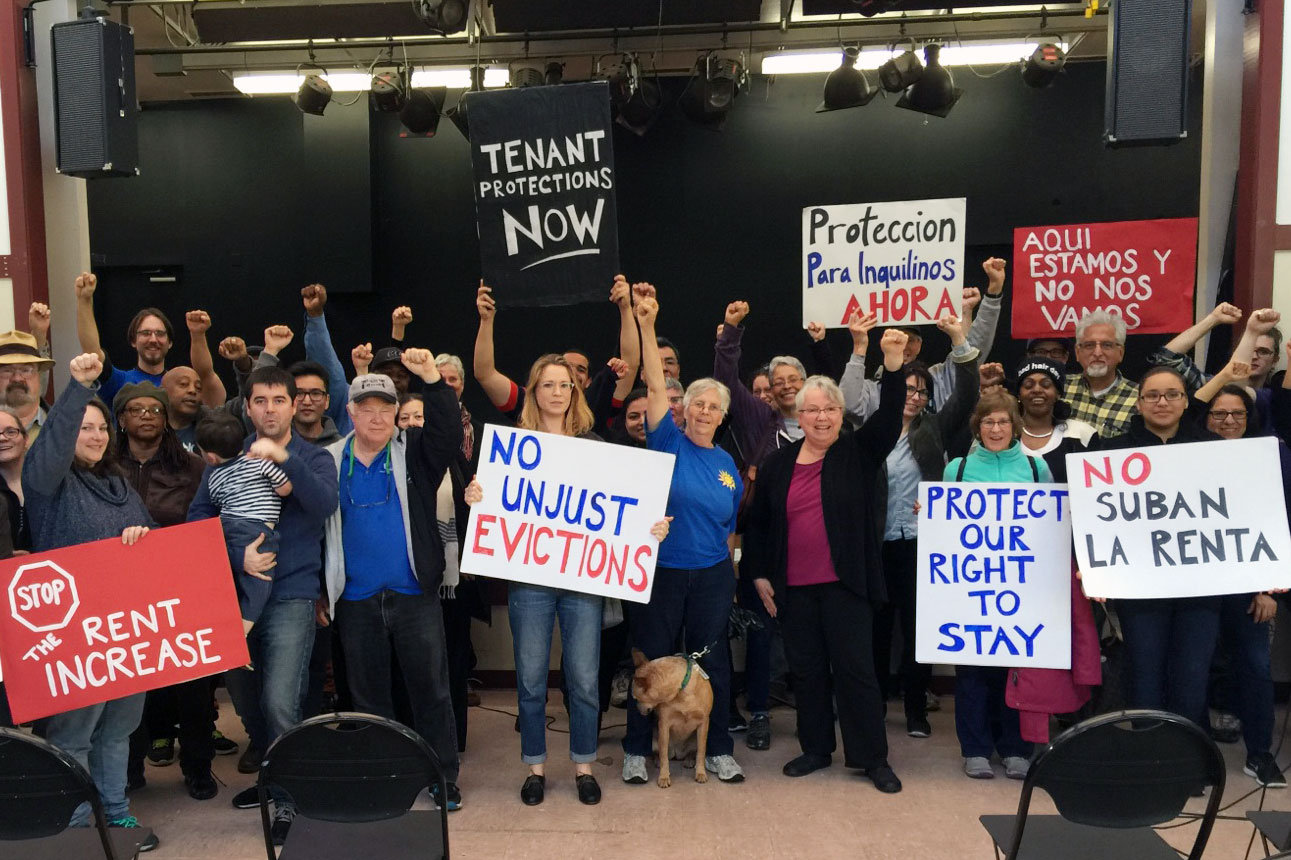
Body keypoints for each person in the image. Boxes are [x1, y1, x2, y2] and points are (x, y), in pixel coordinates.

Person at [743, 330, 910, 793]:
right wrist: (759, 574)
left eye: (830, 409)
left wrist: (892, 362)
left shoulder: (858, 452)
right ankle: (815, 749)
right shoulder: (777, 465)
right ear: (798, 416)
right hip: (794, 590)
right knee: (807, 673)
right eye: (812, 410)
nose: (821, 417)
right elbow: (759, 524)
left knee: (857, 673)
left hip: (846, 586)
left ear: (841, 413)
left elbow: (890, 415)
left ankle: (872, 758)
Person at [187, 364, 338, 844]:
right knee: (246, 701)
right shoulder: (227, 456)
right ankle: (274, 779)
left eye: (278, 400)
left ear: (294, 406)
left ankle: (289, 799)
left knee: (280, 702)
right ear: (247, 408)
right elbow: (197, 520)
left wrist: (282, 458)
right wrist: (238, 555)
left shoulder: (314, 457)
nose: (269, 410)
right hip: (234, 596)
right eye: (260, 401)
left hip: (292, 595)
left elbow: (323, 504)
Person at [464, 353, 615, 807]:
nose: (557, 392)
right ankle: (535, 767)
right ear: (533, 391)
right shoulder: (512, 446)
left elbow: (616, 508)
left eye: (565, 385)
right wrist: (477, 496)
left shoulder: (594, 444)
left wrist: (648, 527)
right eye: (548, 384)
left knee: (584, 679)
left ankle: (584, 766)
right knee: (530, 680)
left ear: (575, 392)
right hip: (530, 579)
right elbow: (495, 505)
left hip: (582, 578)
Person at [27, 354, 157, 851]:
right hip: (75, 630)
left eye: (102, 427)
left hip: (124, 629)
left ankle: (116, 813)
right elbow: (51, 447)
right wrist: (79, 389)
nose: (97, 435)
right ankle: (79, 823)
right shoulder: (47, 481)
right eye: (84, 427)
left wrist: (143, 536)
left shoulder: (119, 483)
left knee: (118, 727)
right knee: (74, 730)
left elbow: (154, 544)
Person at [322, 357, 465, 810]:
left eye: (386, 408)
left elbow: (448, 432)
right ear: (351, 412)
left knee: (431, 692)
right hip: (355, 600)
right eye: (367, 408)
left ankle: (442, 777)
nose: (378, 417)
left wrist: (433, 382)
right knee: (369, 700)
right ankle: (383, 776)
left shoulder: (416, 452)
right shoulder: (328, 461)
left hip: (413, 596)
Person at [622, 290, 747, 786]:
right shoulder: (666, 440)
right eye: (697, 403)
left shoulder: (728, 464)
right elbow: (654, 383)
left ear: (722, 416)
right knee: (651, 662)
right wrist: (647, 324)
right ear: (685, 409)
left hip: (713, 575)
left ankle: (717, 750)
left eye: (713, 407)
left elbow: (729, 528)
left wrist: (730, 576)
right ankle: (637, 750)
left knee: (713, 662)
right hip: (664, 571)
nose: (704, 411)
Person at [841, 314, 980, 739]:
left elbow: (968, 394)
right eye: (907, 388)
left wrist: (958, 338)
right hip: (877, 542)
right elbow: (847, 400)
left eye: (922, 391)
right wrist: (862, 347)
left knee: (920, 631)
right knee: (878, 630)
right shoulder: (870, 431)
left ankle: (917, 709)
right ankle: (877, 704)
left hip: (922, 543)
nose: (914, 396)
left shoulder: (934, 428)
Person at [1088, 366, 1220, 733]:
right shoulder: (1111, 452)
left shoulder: (1214, 450)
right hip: (1140, 588)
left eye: (1172, 394)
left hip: (1201, 587)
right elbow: (1094, 517)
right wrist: (1094, 566)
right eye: (1152, 395)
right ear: (1139, 402)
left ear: (1185, 401)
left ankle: (1186, 754)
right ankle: (1150, 754)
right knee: (1144, 672)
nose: (1162, 402)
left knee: (1192, 674)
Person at [112, 383, 218, 801]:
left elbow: (211, 520)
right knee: (128, 684)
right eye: (136, 410)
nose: (146, 416)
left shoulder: (192, 467)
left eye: (154, 410)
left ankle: (198, 767)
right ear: (121, 420)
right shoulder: (103, 466)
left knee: (192, 685)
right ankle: (128, 768)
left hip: (180, 586)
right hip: (120, 591)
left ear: (165, 418)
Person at [943, 390, 1052, 779]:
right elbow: (946, 528)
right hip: (971, 587)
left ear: (1015, 426)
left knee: (1015, 669)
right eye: (988, 421)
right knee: (972, 670)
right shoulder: (957, 469)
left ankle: (1015, 749)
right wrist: (931, 512)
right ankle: (974, 748)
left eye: (1003, 421)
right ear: (978, 427)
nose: (995, 428)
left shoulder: (1037, 468)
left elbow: (1052, 525)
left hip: (1022, 588)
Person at [1194, 366, 1288, 787]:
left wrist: (1270, 588)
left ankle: (1260, 753)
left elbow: (1280, 521)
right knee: (1194, 668)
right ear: (1207, 418)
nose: (1228, 420)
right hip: (1194, 583)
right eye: (1219, 414)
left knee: (1254, 666)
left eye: (1237, 414)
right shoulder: (1184, 456)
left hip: (1251, 585)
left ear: (1250, 418)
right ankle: (1198, 755)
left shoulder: (1271, 457)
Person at [192, 410, 292, 633]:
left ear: (211, 458)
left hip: (226, 526)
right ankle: (241, 632)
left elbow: (216, 500)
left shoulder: (213, 477)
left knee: (228, 583)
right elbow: (285, 489)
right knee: (260, 583)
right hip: (256, 530)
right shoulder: (260, 463)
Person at [1013, 357, 1097, 482]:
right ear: (1019, 394)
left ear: (1058, 393)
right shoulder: (1003, 434)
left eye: (1046, 385)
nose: (1037, 390)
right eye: (1028, 385)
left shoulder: (1081, 434)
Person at [1065, 309, 1140, 438]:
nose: (1097, 353)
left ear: (1120, 353)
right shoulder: (1059, 388)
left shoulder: (1139, 398)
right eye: (1089, 345)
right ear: (1077, 352)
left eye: (1107, 345)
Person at [0, 330, 54, 440]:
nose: (17, 378)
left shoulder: (63, 427)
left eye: (26, 370)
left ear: (39, 375)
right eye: (7, 370)